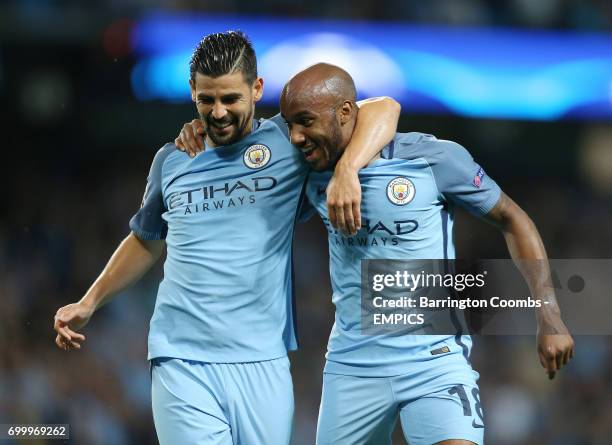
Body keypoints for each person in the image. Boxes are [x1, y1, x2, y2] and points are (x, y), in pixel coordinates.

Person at [52, 32, 400, 445]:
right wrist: (89, 301)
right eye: (207, 100)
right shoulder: (173, 160)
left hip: (262, 360)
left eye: (230, 99)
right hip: (180, 357)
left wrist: (347, 170)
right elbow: (147, 238)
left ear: (257, 89)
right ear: (193, 93)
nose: (217, 113)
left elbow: (385, 108)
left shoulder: (291, 144)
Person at [277, 63, 575, 445]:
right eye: (290, 125)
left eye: (305, 122)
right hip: (351, 366)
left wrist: (550, 316)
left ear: (347, 113)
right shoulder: (308, 167)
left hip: (432, 359)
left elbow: (514, 219)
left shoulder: (431, 159)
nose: (296, 137)